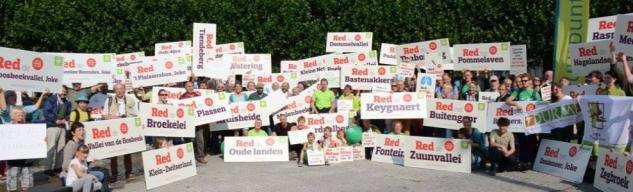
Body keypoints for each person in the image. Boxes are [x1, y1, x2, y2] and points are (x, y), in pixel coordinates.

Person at [103, 83, 138, 182]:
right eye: (117, 89)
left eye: (121, 89)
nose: (119, 91)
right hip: (114, 130)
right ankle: (114, 174)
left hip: (127, 129)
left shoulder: (131, 99)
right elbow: (104, 115)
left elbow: (137, 114)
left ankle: (129, 173)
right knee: (114, 153)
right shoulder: (109, 100)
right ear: (114, 91)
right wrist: (117, 118)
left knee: (127, 151)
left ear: (124, 89)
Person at [40, 87, 71, 174]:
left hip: (62, 127)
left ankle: (58, 167)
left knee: (61, 149)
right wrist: (55, 120)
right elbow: (46, 112)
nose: (63, 93)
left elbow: (68, 114)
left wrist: (65, 120)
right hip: (52, 126)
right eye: (62, 91)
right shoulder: (51, 99)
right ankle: (48, 169)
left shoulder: (67, 102)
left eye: (65, 91)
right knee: (51, 148)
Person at [6, 108, 34, 192]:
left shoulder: (30, 128)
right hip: (13, 162)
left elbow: (35, 141)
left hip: (27, 162)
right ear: (12, 117)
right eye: (18, 115)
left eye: (22, 115)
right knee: (12, 187)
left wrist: (42, 140)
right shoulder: (7, 129)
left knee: (26, 186)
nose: (21, 117)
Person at [179, 81, 208, 165]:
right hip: (188, 122)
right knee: (187, 140)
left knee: (200, 140)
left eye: (191, 86)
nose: (190, 88)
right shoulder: (182, 97)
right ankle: (189, 157)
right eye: (188, 86)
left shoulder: (197, 96)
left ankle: (200, 157)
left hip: (198, 122)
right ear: (185, 87)